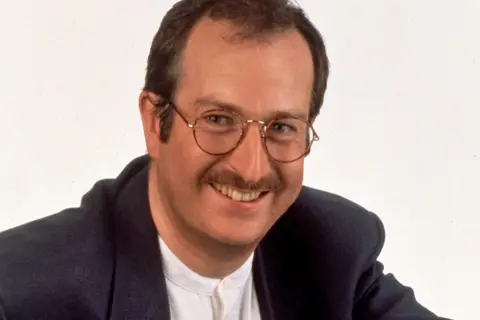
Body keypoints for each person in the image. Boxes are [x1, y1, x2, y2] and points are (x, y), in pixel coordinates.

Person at [0, 0, 450, 319]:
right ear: (155, 124)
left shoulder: (333, 249)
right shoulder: (22, 291)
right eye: (218, 119)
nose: (251, 168)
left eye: (281, 127)